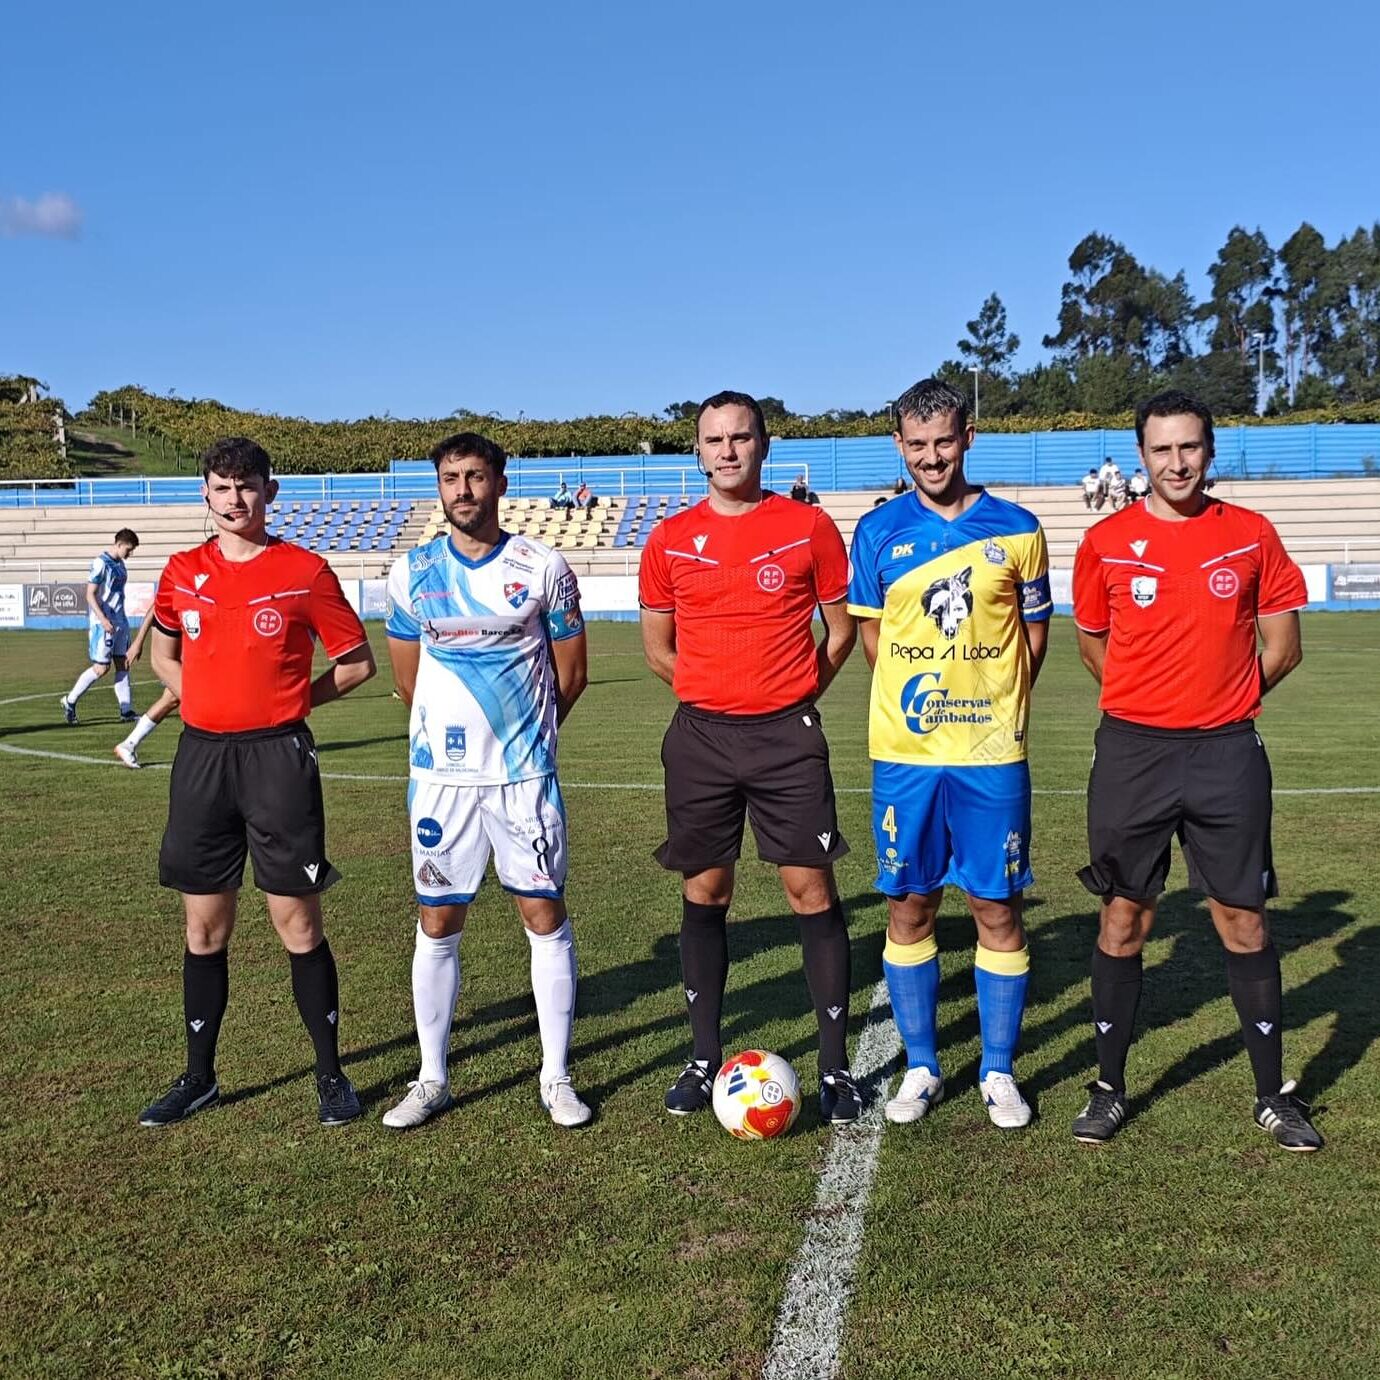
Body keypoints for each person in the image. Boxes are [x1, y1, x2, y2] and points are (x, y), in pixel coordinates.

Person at [1071, 389, 1321, 1152]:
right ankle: (1108, 1088)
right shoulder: (1106, 542)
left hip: (1226, 755)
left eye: (1189, 447)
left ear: (1209, 451)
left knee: (1243, 918)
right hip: (1133, 754)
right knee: (1125, 915)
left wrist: (1225, 702)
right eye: (1161, 449)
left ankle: (1273, 1097)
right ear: (1140, 456)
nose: (1176, 463)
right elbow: (1093, 644)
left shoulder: (1250, 535)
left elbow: (1284, 647)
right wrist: (1148, 706)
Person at [137, 437, 376, 1129]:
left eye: (246, 486)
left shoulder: (305, 571)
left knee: (296, 921)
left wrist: (291, 704)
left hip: (277, 760)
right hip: (202, 760)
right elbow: (162, 655)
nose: (234, 499)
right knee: (203, 926)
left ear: (269, 492)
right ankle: (199, 1077)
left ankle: (330, 1075)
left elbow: (356, 664)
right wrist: (203, 698)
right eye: (221, 487)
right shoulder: (182, 571)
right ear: (206, 494)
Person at [639, 390, 861, 1125]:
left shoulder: (807, 527)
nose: (727, 450)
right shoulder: (669, 539)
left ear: (764, 446)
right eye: (714, 439)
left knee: (810, 892)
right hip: (701, 740)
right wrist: (713, 696)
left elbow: (839, 632)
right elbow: (658, 649)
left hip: (786, 741)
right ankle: (704, 1058)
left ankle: (834, 1067)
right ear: (698, 452)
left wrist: (792, 696)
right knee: (706, 892)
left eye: (740, 437)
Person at [848, 378, 1051, 1130]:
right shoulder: (877, 532)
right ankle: (922, 1065)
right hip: (906, 754)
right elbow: (874, 639)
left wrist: (991, 705)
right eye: (917, 445)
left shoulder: (1019, 529)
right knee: (909, 903)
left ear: (967, 438)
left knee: (997, 905)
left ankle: (998, 1069)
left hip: (992, 754)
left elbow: (1033, 637)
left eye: (943, 442)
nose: (931, 458)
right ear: (899, 446)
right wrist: (923, 707)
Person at [383, 432, 592, 1130]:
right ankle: (431, 1078)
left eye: (475, 477)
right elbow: (407, 681)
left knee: (543, 913)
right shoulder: (412, 572)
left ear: (500, 484)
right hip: (441, 783)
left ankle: (556, 1076)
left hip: (522, 778)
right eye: (451, 478)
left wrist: (522, 738)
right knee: (437, 920)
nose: (463, 490)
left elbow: (571, 675)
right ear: (438, 487)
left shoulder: (543, 567)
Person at [60, 528, 140, 725]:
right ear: (119, 544)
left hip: (120, 621)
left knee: (123, 663)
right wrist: (103, 619)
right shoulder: (100, 563)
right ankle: (70, 701)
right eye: (128, 550)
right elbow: (90, 594)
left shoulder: (120, 564)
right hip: (103, 623)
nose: (130, 554)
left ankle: (126, 710)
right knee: (101, 668)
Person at [113, 599, 180, 769]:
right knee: (187, 697)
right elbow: (156, 606)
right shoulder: (185, 583)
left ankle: (129, 744)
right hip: (185, 643)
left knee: (172, 698)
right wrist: (138, 642)